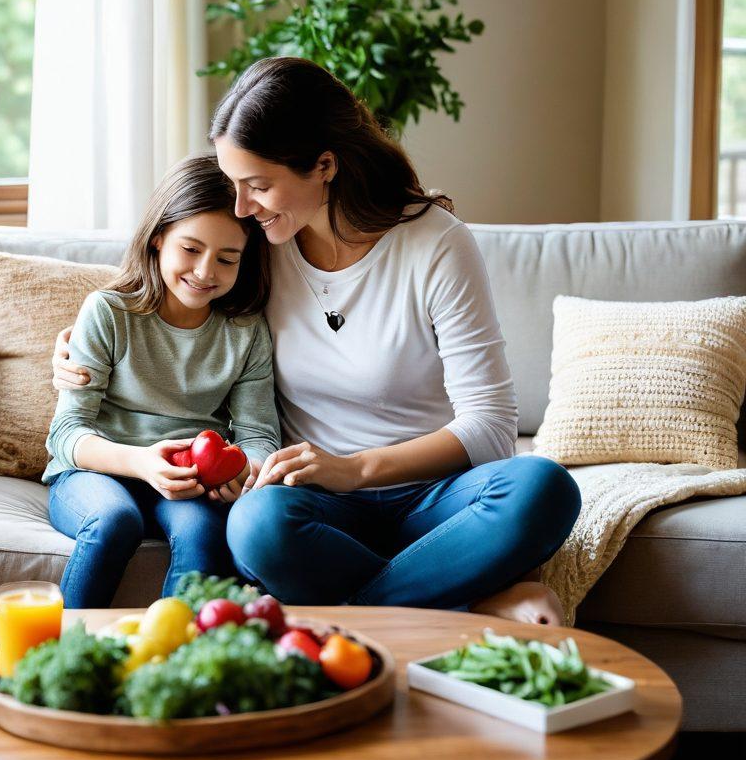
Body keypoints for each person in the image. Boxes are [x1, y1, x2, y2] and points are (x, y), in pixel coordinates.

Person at [54, 58, 580, 625]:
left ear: (324, 165)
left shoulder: (436, 246)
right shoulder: (257, 245)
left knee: (543, 487)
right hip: (313, 506)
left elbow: (492, 428)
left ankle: (368, 607)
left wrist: (352, 469)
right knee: (255, 526)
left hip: (431, 495)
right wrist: (69, 346)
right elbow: (161, 283)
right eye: (235, 185)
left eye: (258, 186)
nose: (241, 206)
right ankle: (467, 600)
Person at [43, 153, 280, 608]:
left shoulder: (245, 330)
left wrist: (243, 472)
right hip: (96, 472)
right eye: (191, 250)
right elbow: (67, 433)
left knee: (204, 531)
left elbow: (258, 434)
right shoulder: (109, 312)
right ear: (157, 239)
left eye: (227, 259)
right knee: (115, 520)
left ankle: (173, 665)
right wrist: (143, 463)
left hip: (189, 482)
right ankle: (64, 653)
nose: (206, 271)